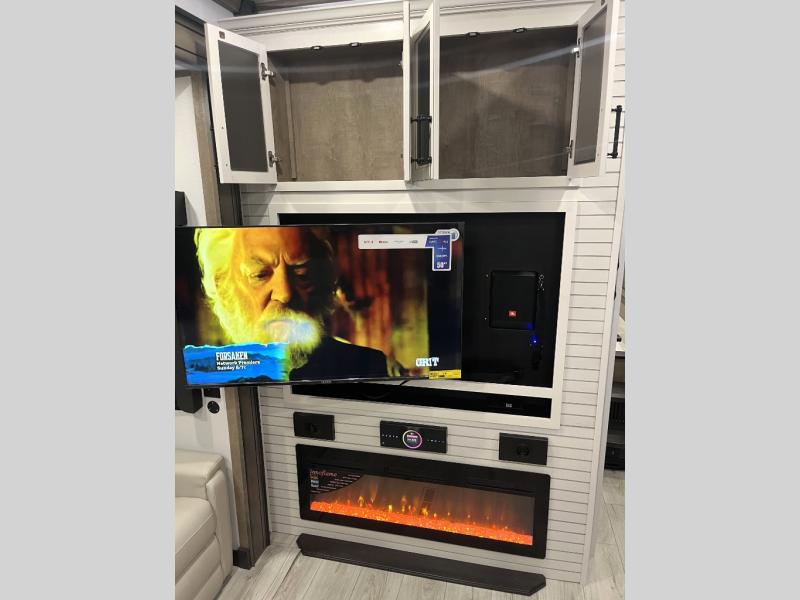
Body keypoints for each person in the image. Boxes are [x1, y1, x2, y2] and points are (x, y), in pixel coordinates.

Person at [194, 226, 388, 381]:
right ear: (223, 287)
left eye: (302, 274)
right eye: (260, 275)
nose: (285, 293)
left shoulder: (367, 366)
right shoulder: (205, 374)